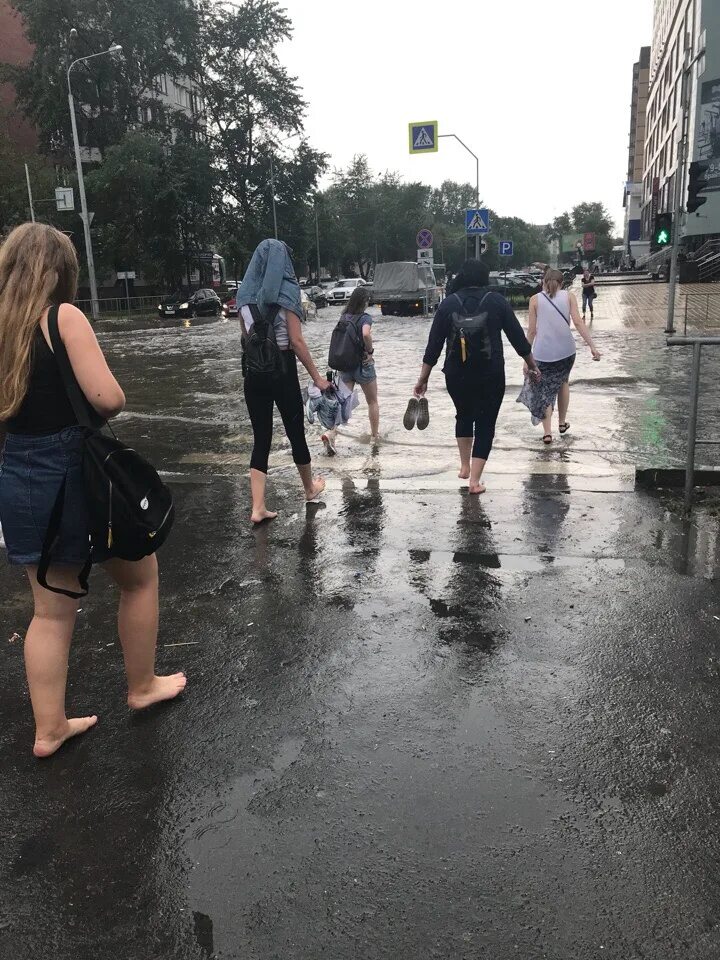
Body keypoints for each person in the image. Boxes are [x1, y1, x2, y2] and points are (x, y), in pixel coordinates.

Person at [0, 223, 186, 758]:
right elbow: (109, 399)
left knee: (51, 611)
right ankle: (142, 685)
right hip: (75, 478)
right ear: (59, 270)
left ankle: (49, 728)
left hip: (18, 476)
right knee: (140, 578)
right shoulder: (63, 318)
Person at [413, 259, 541, 495]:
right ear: (484, 277)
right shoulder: (497, 301)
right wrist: (531, 365)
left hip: (456, 374)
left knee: (463, 415)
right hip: (490, 373)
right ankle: (474, 480)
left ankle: (464, 466)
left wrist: (423, 378)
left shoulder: (448, 304)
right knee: (485, 423)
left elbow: (433, 346)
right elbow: (518, 339)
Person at [237, 239, 329, 523]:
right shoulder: (287, 293)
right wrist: (317, 378)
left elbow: (245, 340)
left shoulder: (243, 296)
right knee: (295, 431)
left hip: (254, 374)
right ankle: (309, 489)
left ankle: (258, 507)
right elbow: (296, 342)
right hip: (283, 370)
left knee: (261, 438)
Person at [517, 268, 601, 444]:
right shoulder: (569, 296)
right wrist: (592, 346)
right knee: (563, 382)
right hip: (566, 351)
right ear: (562, 283)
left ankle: (547, 433)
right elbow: (578, 322)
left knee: (544, 389)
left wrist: (526, 358)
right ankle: (561, 423)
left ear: (543, 282)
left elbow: (532, 332)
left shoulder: (534, 300)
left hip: (543, 353)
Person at [321, 286, 378, 455]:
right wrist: (370, 351)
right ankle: (375, 437)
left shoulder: (344, 316)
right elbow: (366, 334)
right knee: (372, 402)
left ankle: (331, 433)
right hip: (363, 366)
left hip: (345, 366)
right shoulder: (365, 317)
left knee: (343, 402)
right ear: (364, 302)